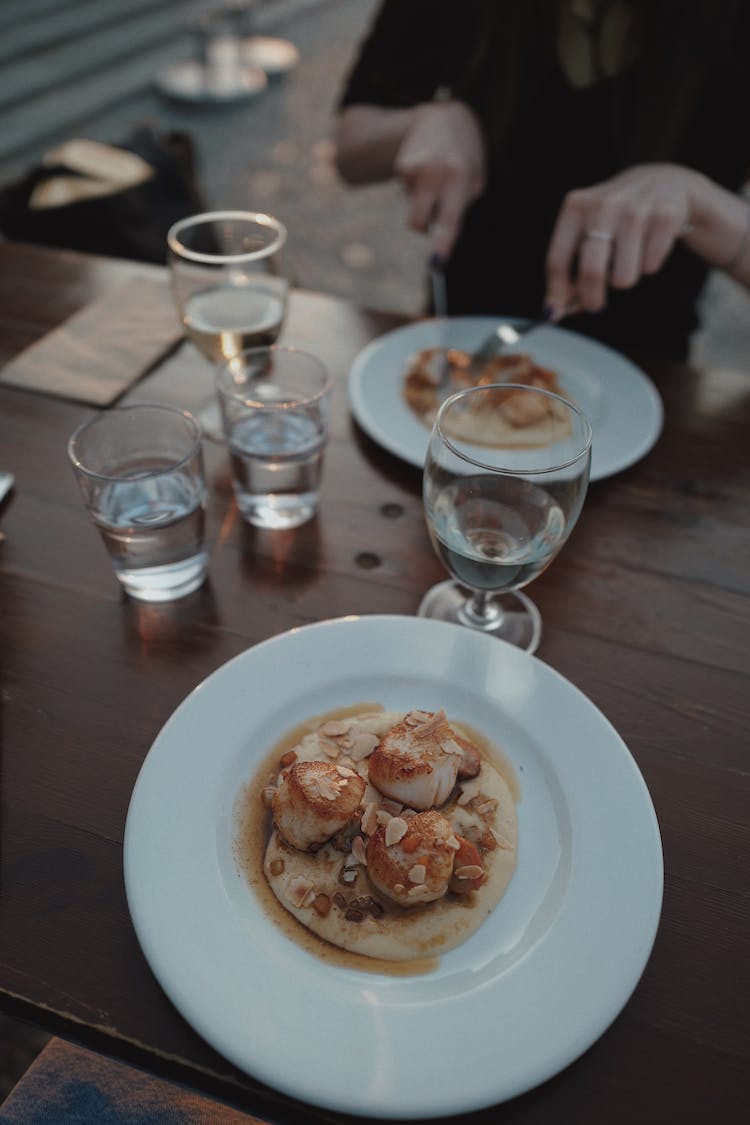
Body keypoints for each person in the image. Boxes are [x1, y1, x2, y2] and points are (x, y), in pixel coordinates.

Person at [334, 0, 750, 360]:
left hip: (656, 377)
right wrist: (423, 123)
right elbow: (350, 149)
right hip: (459, 349)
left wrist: (701, 204)